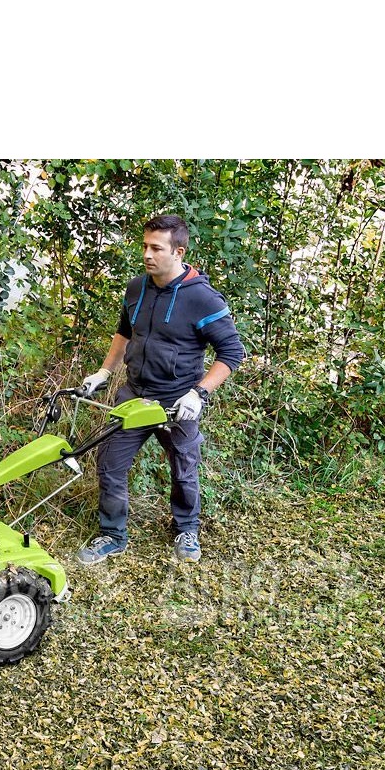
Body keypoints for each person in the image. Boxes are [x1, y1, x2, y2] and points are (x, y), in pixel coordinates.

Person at [76, 214, 246, 565]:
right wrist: (104, 372)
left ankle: (186, 529)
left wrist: (199, 393)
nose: (147, 255)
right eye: (144, 246)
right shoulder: (136, 288)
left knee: (184, 468)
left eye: (156, 248)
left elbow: (232, 353)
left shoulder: (203, 299)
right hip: (134, 395)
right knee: (110, 463)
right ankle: (113, 535)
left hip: (177, 400)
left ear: (178, 252)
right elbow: (125, 333)